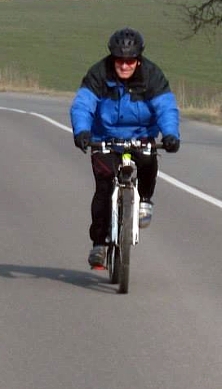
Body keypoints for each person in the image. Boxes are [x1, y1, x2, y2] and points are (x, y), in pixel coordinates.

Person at [70, 27, 181, 269]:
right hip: (105, 138)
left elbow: (166, 107)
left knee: (149, 160)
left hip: (141, 135)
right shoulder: (99, 73)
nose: (124, 65)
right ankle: (99, 244)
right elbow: (83, 105)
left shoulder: (152, 75)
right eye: (120, 60)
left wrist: (171, 135)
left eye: (130, 61)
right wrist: (82, 132)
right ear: (113, 58)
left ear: (138, 59)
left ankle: (145, 200)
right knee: (104, 184)